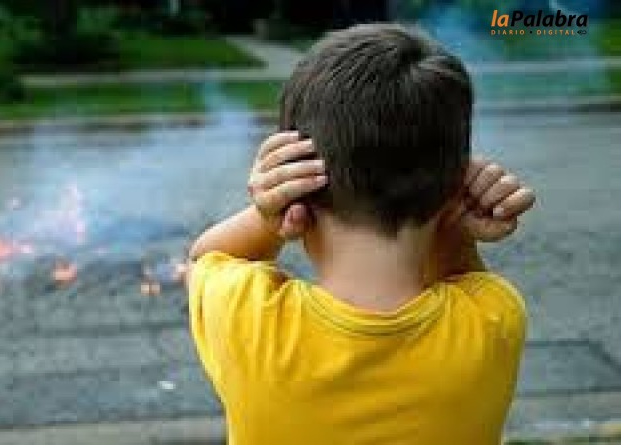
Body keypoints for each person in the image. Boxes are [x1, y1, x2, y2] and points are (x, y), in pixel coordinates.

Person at [185, 23, 536, 444]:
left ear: (298, 190)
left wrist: (265, 217)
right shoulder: (495, 319)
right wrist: (456, 224)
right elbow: (461, 279)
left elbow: (204, 260)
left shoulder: (249, 320)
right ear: (454, 185)